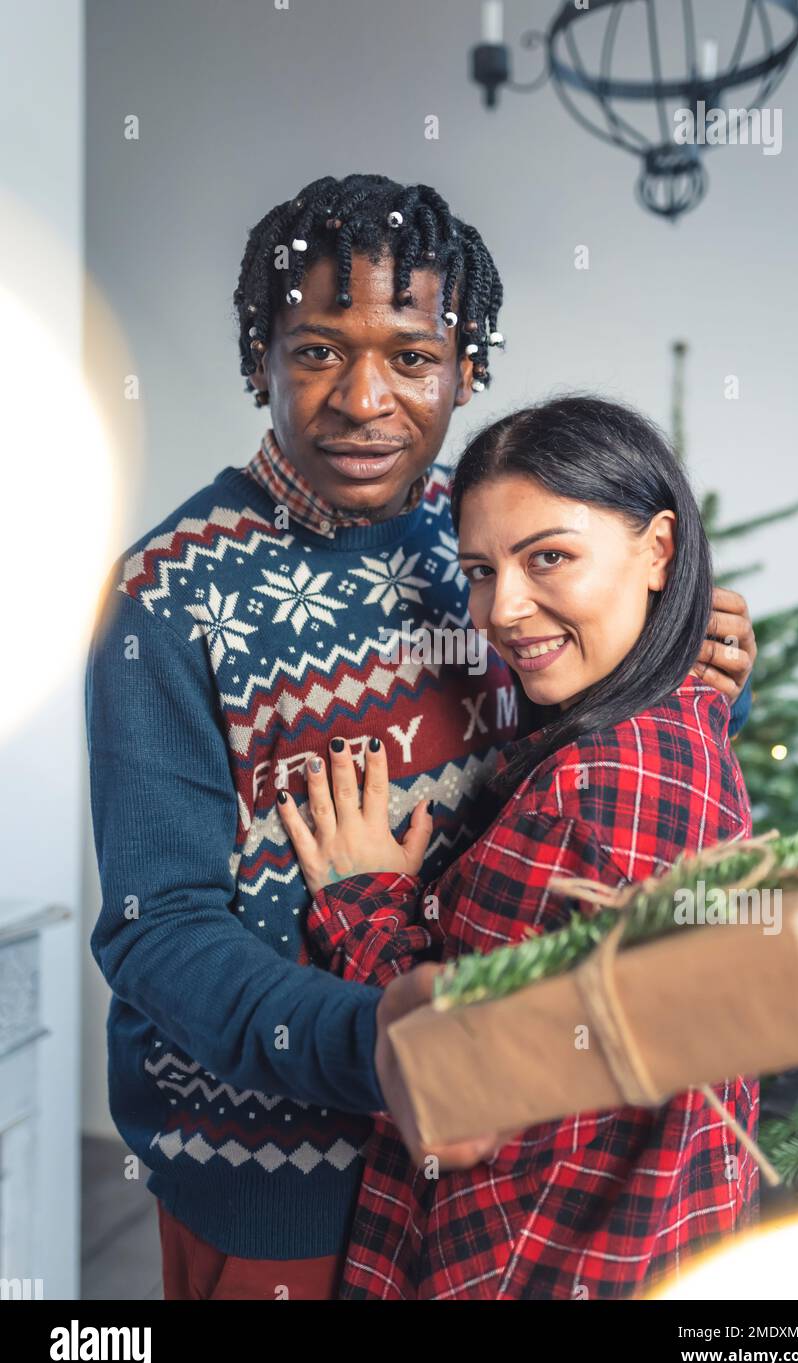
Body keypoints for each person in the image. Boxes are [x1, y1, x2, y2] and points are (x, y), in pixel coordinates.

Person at [85, 173, 755, 1301]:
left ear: (466, 367)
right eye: (313, 351)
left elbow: (596, 764)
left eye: (409, 355)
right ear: (259, 359)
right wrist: (399, 1048)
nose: (362, 398)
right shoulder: (166, 591)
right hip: (282, 1182)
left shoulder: (495, 526)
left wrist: (685, 661)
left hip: (500, 1190)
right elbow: (157, 932)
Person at [279, 393, 761, 1301]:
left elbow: (463, 1077)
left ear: (657, 549)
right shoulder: (683, 722)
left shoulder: (602, 780)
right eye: (479, 570)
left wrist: (365, 896)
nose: (503, 610)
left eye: (550, 558)